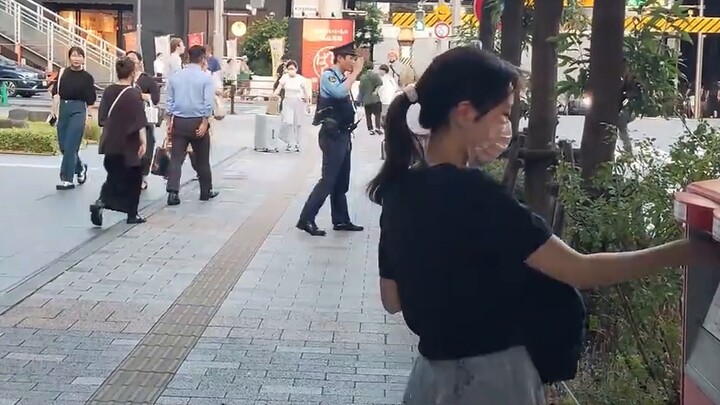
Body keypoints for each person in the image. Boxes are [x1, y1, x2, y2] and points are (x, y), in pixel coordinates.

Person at [367, 46, 715, 404]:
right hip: (495, 381)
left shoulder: (398, 191)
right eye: (502, 114)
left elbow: (391, 299)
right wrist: (685, 251)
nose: (507, 126)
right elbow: (580, 271)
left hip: (429, 382)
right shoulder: (477, 195)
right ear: (465, 113)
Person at [296, 42, 365, 236]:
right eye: (350, 58)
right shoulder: (328, 76)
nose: (353, 62)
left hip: (343, 133)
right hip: (332, 135)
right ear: (340, 58)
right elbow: (339, 93)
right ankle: (306, 219)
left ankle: (341, 220)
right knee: (328, 179)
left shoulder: (342, 77)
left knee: (341, 180)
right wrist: (355, 74)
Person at [90, 56, 148, 226]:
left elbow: (102, 118)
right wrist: (143, 141)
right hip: (129, 145)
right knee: (134, 180)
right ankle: (132, 214)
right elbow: (140, 121)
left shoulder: (108, 91)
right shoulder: (134, 94)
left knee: (113, 177)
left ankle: (101, 202)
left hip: (110, 144)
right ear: (132, 73)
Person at [165, 45, 218, 206]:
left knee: (176, 158)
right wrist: (204, 122)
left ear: (187, 58)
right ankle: (205, 191)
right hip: (197, 121)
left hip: (179, 122)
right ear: (202, 59)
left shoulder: (175, 77)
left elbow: (169, 102)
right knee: (202, 158)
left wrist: (169, 123)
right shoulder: (206, 79)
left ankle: (173, 192)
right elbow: (208, 103)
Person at [51, 46, 96, 190]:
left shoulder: (87, 77)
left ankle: (67, 179)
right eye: (73, 55)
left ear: (83, 59)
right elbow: (55, 92)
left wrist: (88, 116)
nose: (76, 58)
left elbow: (91, 100)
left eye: (79, 56)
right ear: (69, 57)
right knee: (64, 146)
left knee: (71, 145)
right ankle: (81, 168)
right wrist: (53, 110)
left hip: (78, 109)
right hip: (63, 109)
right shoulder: (63, 73)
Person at [126, 51, 161, 190]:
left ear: (140, 62)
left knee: (145, 147)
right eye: (128, 59)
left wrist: (141, 95)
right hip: (127, 117)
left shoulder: (147, 79)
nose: (131, 62)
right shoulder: (123, 78)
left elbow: (156, 98)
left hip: (144, 118)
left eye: (134, 59)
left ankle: (142, 176)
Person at [273, 60, 310, 152]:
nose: (291, 70)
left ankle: (298, 144)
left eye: (292, 69)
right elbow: (278, 89)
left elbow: (306, 92)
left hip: (298, 102)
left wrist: (308, 104)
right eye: (289, 69)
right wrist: (274, 96)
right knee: (287, 122)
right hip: (287, 101)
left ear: (296, 69)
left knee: (298, 124)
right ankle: (288, 143)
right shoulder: (284, 78)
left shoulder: (301, 79)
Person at [358, 61, 383, 135]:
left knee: (368, 115)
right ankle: (377, 128)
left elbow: (361, 89)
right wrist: (375, 91)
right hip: (375, 98)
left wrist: (360, 99)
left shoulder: (363, 76)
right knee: (377, 114)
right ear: (372, 67)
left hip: (366, 99)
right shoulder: (375, 75)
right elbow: (380, 83)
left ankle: (370, 129)